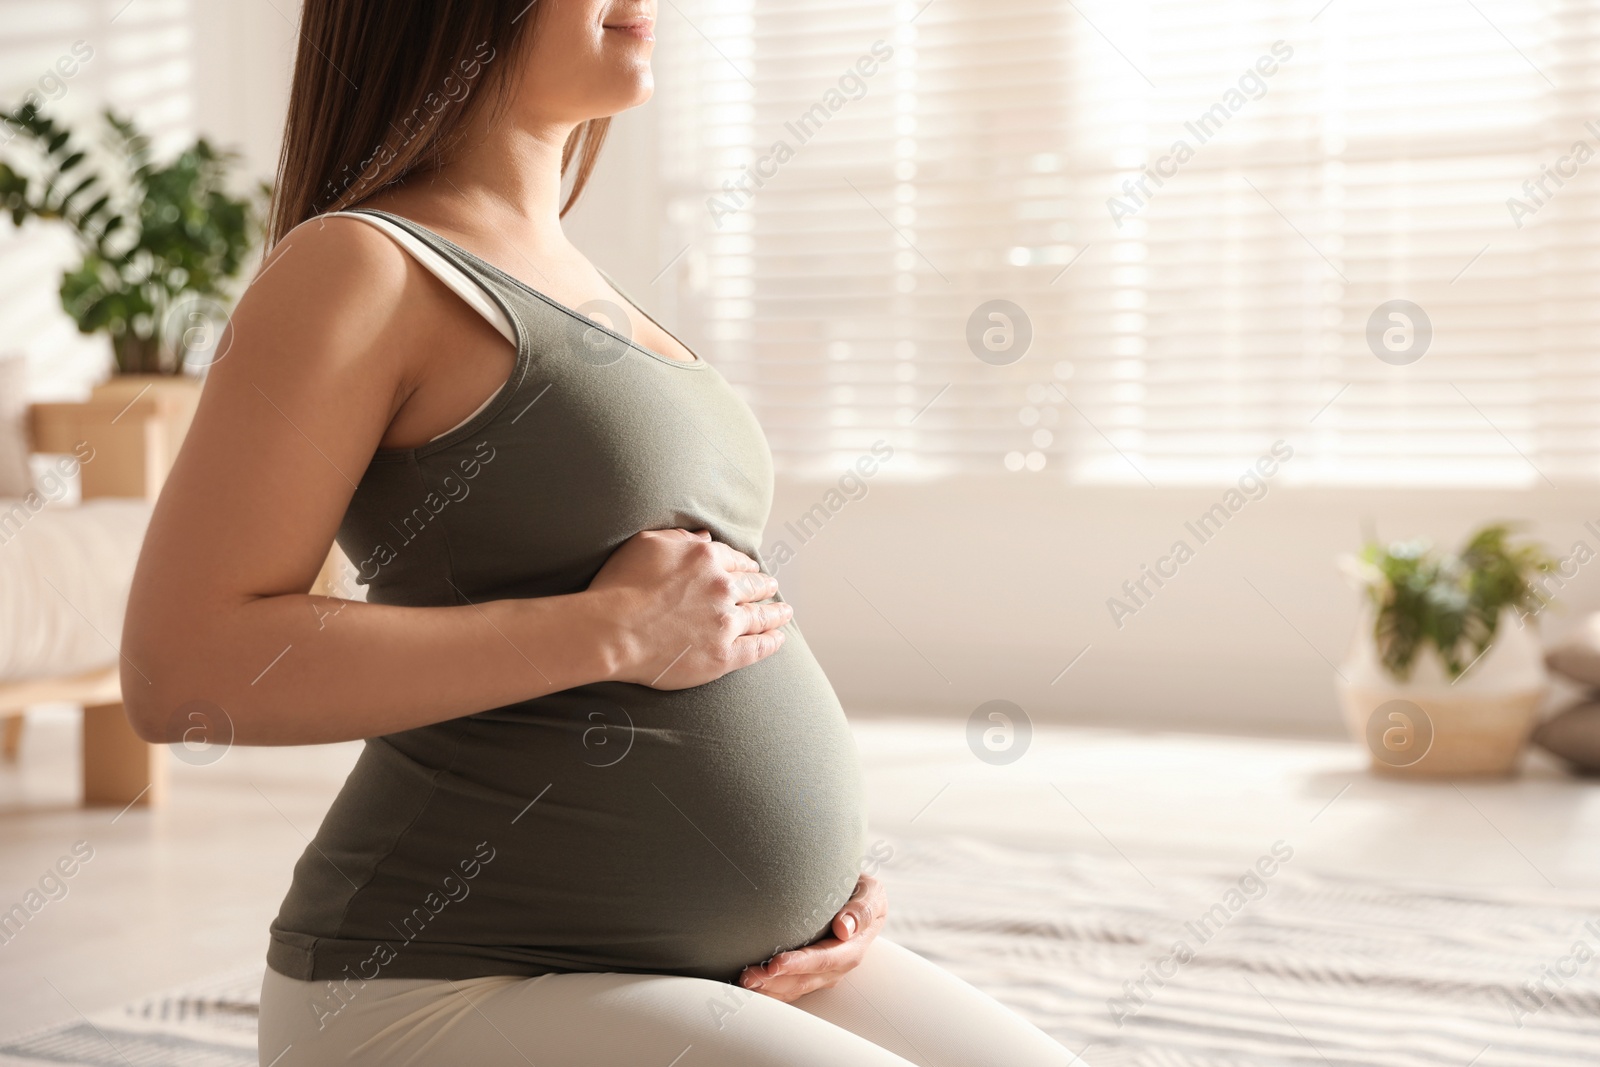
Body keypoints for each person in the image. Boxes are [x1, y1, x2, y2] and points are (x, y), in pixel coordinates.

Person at [122, 2, 1080, 1063]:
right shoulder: (360, 265)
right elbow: (184, 666)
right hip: (436, 984)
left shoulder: (576, 273)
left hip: (717, 960)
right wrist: (611, 631)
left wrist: (808, 872)